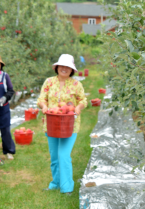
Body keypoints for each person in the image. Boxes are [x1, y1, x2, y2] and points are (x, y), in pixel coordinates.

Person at [37, 54, 87, 195]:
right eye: (62, 66)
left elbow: (83, 100)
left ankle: (67, 187)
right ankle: (56, 183)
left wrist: (78, 108)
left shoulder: (76, 84)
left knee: (63, 155)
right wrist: (43, 106)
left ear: (71, 70)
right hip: (52, 123)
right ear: (57, 67)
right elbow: (42, 98)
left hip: (70, 124)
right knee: (54, 157)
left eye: (68, 67)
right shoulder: (49, 82)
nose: (64, 68)